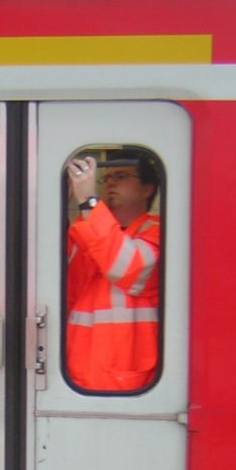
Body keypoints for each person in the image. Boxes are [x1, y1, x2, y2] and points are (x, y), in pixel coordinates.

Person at [66, 149, 160, 392]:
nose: (111, 184)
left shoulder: (157, 231)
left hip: (125, 384)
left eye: (121, 177)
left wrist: (88, 202)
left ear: (147, 189)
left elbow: (127, 267)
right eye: (106, 179)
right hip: (73, 379)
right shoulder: (87, 230)